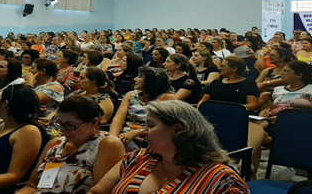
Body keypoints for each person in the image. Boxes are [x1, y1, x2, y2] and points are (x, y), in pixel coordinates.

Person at [89, 101, 249, 194]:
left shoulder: (221, 179)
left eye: (151, 126)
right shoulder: (137, 158)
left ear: (178, 130)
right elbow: (97, 192)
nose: (143, 133)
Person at [18, 96, 125, 194]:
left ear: (94, 123)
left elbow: (100, 192)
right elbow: (31, 186)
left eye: (71, 125)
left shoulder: (107, 145)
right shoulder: (55, 143)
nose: (64, 130)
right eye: (60, 124)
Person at [249, 61, 312, 171]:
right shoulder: (278, 90)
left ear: (299, 75)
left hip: (300, 125)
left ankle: (247, 165)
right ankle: (250, 168)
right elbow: (270, 110)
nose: (281, 73)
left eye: (286, 71)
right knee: (254, 127)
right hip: (273, 123)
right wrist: (264, 113)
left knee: (255, 133)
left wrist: (286, 119)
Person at [109, 67, 175, 148]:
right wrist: (113, 138)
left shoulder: (167, 98)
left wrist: (137, 132)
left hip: (151, 137)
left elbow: (166, 126)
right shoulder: (131, 95)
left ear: (150, 81)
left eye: (140, 77)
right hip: (125, 135)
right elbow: (118, 119)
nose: (135, 79)